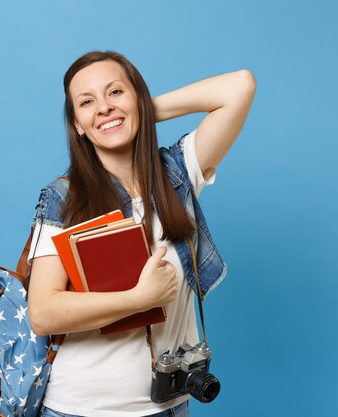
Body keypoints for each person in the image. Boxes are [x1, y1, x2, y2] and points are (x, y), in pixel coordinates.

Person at [27, 51, 256, 417]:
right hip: (81, 409)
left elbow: (239, 85)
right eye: (86, 103)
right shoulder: (65, 197)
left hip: (168, 405)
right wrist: (138, 298)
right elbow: (42, 312)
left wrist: (139, 112)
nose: (103, 108)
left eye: (115, 92)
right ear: (77, 126)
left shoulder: (177, 172)